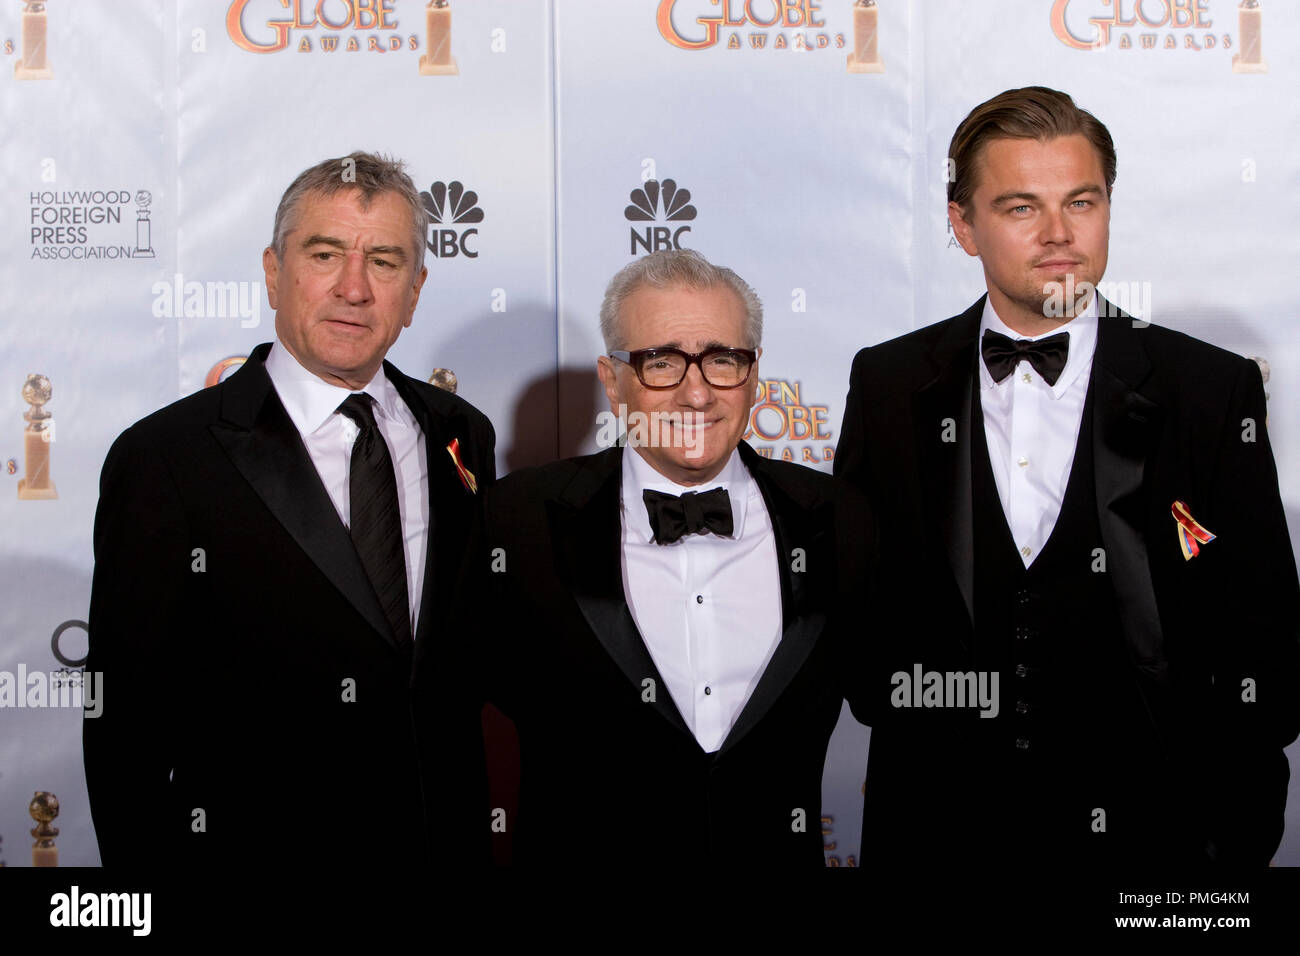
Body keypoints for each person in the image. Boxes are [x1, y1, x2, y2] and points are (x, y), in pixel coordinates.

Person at [836, 86, 1300, 868]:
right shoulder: (886, 383)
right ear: (963, 225)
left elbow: (1265, 625)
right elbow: (858, 609)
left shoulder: (1208, 386)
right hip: (941, 835)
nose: (1059, 234)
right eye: (1021, 208)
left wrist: (1231, 834)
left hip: (1160, 835)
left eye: (1081, 201)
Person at [84, 151, 495, 869]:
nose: (354, 288)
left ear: (416, 290)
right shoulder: (169, 457)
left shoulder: (461, 433)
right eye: (325, 253)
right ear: (275, 273)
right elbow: (125, 731)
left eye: (385, 261)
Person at [464, 249, 871, 865]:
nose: (697, 392)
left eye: (722, 359)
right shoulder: (518, 520)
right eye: (661, 362)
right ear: (612, 377)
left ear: (754, 373)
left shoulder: (839, 519)